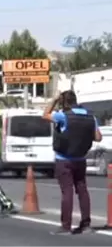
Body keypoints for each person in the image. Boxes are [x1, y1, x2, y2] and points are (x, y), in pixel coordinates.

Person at [42, 90, 102, 235]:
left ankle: (66, 226)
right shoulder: (90, 117)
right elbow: (98, 137)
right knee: (83, 191)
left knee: (67, 192)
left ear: (65, 102)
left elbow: (45, 115)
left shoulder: (63, 116)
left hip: (64, 160)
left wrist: (54, 100)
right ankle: (86, 225)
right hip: (81, 159)